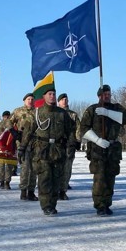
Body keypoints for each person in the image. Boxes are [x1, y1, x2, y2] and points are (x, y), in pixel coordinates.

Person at [22, 84, 77, 215]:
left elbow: (70, 132)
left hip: (58, 150)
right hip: (42, 150)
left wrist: (71, 146)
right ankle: (46, 205)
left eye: (54, 94)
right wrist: (22, 147)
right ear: (44, 96)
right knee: (45, 178)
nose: (52, 96)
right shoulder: (37, 113)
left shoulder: (62, 113)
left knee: (56, 179)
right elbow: (28, 132)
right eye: (49, 94)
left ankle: (52, 204)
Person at [79, 84, 126, 215]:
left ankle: (107, 203)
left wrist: (108, 113)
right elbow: (83, 129)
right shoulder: (92, 110)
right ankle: (100, 205)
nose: (107, 96)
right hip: (98, 149)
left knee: (110, 178)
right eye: (104, 94)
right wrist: (97, 140)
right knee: (100, 178)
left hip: (112, 149)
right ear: (99, 96)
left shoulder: (116, 108)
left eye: (109, 94)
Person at [11, 93, 39, 201]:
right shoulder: (18, 111)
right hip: (22, 142)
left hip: (35, 142)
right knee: (25, 167)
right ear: (24, 100)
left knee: (34, 168)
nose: (30, 101)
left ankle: (31, 191)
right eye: (28, 99)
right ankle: (23, 191)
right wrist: (13, 132)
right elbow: (9, 122)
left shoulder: (37, 112)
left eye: (32, 99)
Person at [56, 93, 80, 199]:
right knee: (56, 168)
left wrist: (78, 141)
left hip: (69, 144)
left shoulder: (73, 115)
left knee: (67, 168)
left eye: (66, 99)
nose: (64, 101)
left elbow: (79, 128)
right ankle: (55, 189)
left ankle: (63, 190)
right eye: (62, 99)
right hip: (56, 145)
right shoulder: (55, 113)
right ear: (58, 102)